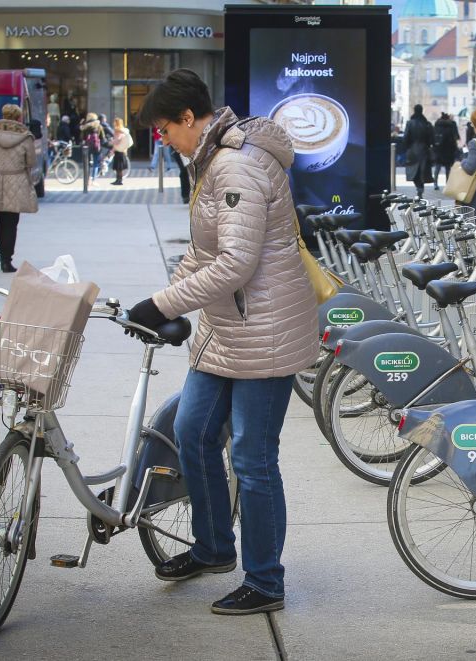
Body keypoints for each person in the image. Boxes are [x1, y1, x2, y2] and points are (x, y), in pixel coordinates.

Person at [131, 68, 318, 615]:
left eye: (164, 128)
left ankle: (265, 582)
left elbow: (236, 263)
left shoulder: (233, 165)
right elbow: (206, 252)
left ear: (190, 118)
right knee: (191, 431)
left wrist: (165, 304)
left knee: (254, 461)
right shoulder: (210, 159)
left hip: (266, 331)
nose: (162, 140)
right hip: (227, 329)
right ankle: (213, 547)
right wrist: (161, 299)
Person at [0, 103, 38, 273]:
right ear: (18, 117)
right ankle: (8, 259)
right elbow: (31, 162)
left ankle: (2, 256)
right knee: (11, 222)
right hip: (17, 180)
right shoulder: (25, 136)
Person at [403, 104, 434, 197]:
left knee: (413, 171)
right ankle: (420, 188)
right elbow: (431, 139)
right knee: (422, 171)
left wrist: (407, 147)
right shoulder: (427, 124)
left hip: (412, 150)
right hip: (424, 150)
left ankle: (418, 187)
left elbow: (405, 138)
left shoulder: (410, 123)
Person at [432, 112, 460, 191]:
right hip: (449, 149)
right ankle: (447, 184)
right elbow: (456, 136)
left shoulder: (437, 124)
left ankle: (435, 184)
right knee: (448, 168)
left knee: (437, 167)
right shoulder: (452, 124)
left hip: (439, 149)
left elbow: (433, 136)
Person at [80, 113, 104, 182]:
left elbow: (82, 137)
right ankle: (94, 179)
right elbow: (102, 137)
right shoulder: (98, 125)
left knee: (86, 163)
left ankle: (87, 179)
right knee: (96, 163)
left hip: (87, 146)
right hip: (96, 146)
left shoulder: (85, 126)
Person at [109, 117, 132, 185]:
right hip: (122, 150)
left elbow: (117, 140)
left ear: (116, 123)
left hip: (118, 151)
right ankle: (118, 180)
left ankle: (119, 180)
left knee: (118, 167)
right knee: (119, 168)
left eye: (114, 122)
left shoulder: (118, 130)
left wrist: (111, 142)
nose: (113, 123)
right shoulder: (124, 130)